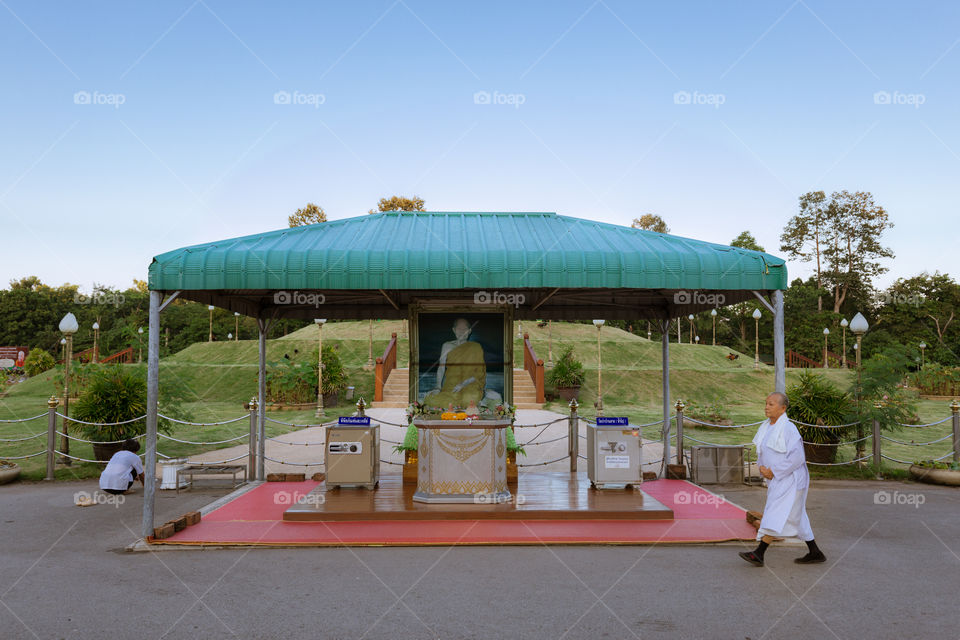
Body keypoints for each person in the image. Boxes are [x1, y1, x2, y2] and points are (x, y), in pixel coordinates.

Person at [738, 392, 826, 567]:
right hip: (777, 478)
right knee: (797, 515)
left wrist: (775, 471)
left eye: (771, 404)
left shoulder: (788, 428)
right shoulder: (766, 426)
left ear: (783, 408)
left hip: (790, 479)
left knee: (775, 512)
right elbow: (763, 450)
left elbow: (797, 457)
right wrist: (763, 468)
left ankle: (759, 553)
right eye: (766, 403)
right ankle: (815, 551)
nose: (766, 407)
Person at [423, 318, 486, 408]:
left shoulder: (475, 347)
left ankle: (473, 400)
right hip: (451, 385)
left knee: (468, 399)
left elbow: (479, 372)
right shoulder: (447, 346)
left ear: (469, 331)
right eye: (459, 329)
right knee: (430, 398)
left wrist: (463, 384)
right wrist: (438, 387)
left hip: (470, 385)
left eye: (465, 329)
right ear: (454, 330)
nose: (462, 332)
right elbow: (441, 368)